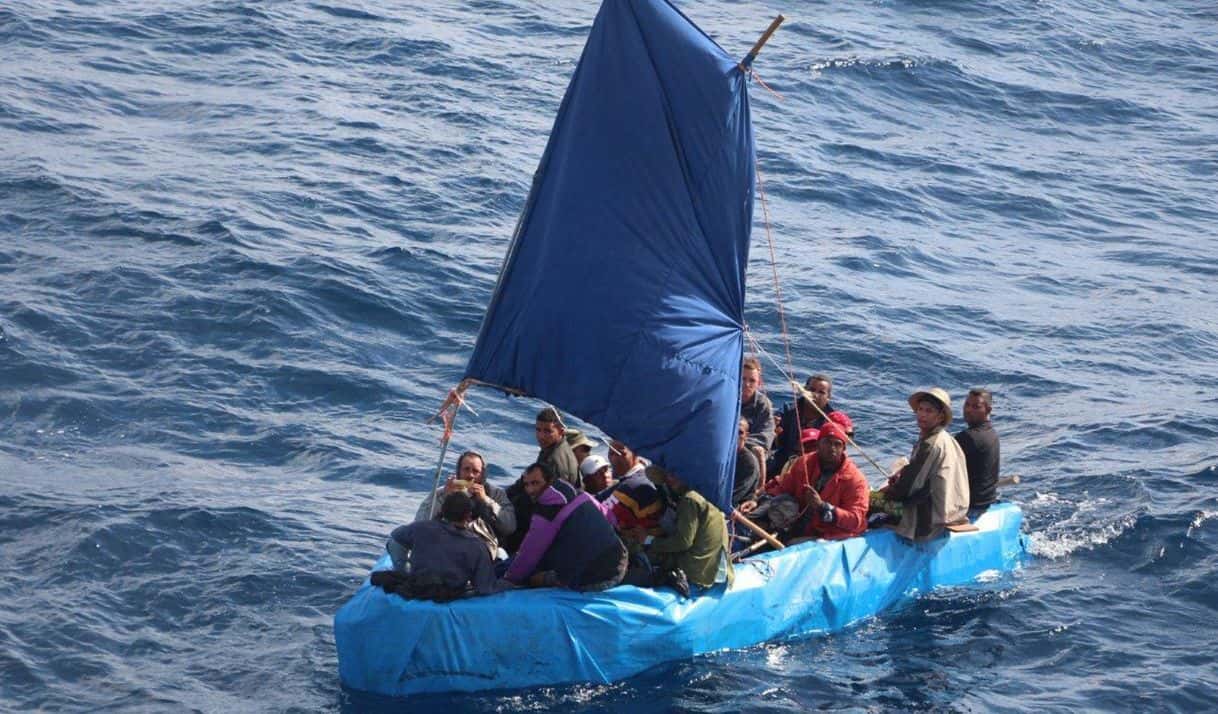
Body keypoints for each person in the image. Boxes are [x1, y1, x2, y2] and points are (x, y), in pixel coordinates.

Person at [504, 463, 628, 591]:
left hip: (598, 579)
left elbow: (529, 554)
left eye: (535, 483)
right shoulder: (581, 494)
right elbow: (611, 518)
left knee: (533, 578)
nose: (530, 490)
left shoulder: (547, 513)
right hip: (621, 560)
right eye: (526, 484)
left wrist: (508, 580)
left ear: (550, 481)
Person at [741, 421, 868, 541]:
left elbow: (856, 520)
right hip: (800, 527)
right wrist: (757, 501)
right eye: (828, 442)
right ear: (818, 444)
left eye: (837, 444)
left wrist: (823, 507)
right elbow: (783, 488)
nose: (832, 448)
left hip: (831, 536)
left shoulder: (854, 479)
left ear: (844, 448)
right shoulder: (804, 463)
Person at [379, 492, 509, 600]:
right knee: (501, 554)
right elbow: (485, 587)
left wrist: (403, 569)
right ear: (468, 516)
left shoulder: (421, 528)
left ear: (442, 510)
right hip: (451, 593)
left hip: (418, 585)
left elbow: (394, 540)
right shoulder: (477, 546)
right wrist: (508, 584)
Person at [625, 467, 733, 593]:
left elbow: (683, 542)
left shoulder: (689, 499)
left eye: (673, 474)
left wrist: (648, 540)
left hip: (700, 573)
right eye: (667, 476)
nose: (669, 479)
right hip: (713, 567)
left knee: (643, 558)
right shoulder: (706, 492)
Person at [883, 388, 970, 542]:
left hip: (928, 519)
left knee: (870, 502)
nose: (922, 414)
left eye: (929, 411)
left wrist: (887, 493)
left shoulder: (930, 444)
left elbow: (907, 488)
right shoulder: (947, 439)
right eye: (920, 409)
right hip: (951, 510)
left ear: (940, 416)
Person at [415, 451, 516, 559]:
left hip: (482, 549)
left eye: (475, 471)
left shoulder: (496, 494)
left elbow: (510, 526)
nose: (470, 475)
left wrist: (486, 500)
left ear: (482, 474)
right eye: (466, 469)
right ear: (458, 472)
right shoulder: (442, 492)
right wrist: (445, 497)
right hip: (446, 544)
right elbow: (421, 521)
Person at [768, 374, 852, 475]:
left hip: (816, 465)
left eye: (821, 392)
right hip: (785, 460)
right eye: (812, 390)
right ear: (804, 390)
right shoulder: (788, 410)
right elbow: (774, 443)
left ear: (828, 397)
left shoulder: (831, 420)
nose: (815, 395)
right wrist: (774, 432)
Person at [602, 439, 666, 536]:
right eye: (611, 453)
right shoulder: (639, 476)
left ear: (636, 455)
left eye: (622, 454)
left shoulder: (633, 486)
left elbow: (599, 516)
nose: (614, 459)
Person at [956, 388, 1000, 514]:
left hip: (970, 507)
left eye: (976, 407)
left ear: (988, 410)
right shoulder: (992, 433)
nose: (968, 410)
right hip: (987, 501)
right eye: (967, 405)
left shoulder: (967, 438)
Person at [740, 357, 774, 483]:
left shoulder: (763, 404)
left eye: (752, 381)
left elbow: (765, 437)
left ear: (758, 383)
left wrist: (739, 443)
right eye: (743, 379)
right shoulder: (726, 397)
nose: (746, 384)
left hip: (748, 449)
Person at [535, 406, 581, 490]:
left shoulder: (553, 461)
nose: (541, 436)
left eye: (548, 431)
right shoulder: (561, 446)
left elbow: (554, 498)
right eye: (538, 430)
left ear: (561, 431)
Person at [733, 418, 761, 507]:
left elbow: (734, 495)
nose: (735, 435)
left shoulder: (748, 463)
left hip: (737, 507)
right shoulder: (721, 455)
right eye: (732, 430)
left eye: (740, 432)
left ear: (746, 436)